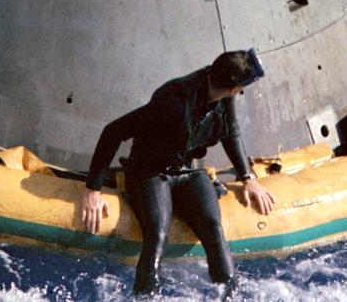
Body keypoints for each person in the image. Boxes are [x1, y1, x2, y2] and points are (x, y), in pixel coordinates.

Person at [81, 49, 276, 296]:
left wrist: (247, 178)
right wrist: (93, 190)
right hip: (151, 172)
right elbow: (114, 131)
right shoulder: (173, 101)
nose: (240, 92)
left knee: (214, 229)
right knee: (157, 235)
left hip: (186, 172)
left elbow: (231, 132)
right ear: (232, 87)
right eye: (242, 87)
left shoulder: (223, 97)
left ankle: (230, 296)